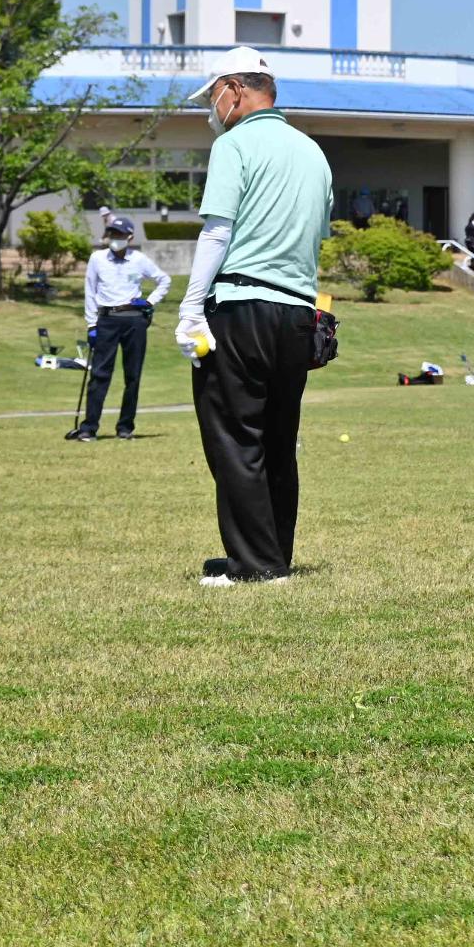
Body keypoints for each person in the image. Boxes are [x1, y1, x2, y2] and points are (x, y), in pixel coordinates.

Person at [173, 46, 333, 586]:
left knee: (236, 437)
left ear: (235, 90)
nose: (212, 110)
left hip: (240, 306)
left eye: (214, 96)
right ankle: (270, 554)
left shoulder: (235, 144)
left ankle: (254, 564)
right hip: (296, 314)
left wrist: (191, 306)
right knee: (277, 440)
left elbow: (218, 230)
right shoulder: (313, 151)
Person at [66, 216, 170, 443]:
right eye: (112, 234)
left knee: (133, 375)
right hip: (107, 319)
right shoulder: (97, 259)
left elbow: (164, 280)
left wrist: (150, 302)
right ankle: (89, 427)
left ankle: (125, 427)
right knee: (100, 375)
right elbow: (90, 291)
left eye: (120, 235)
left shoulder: (139, 259)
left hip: (134, 319)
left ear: (130, 237)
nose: (115, 239)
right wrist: (91, 324)